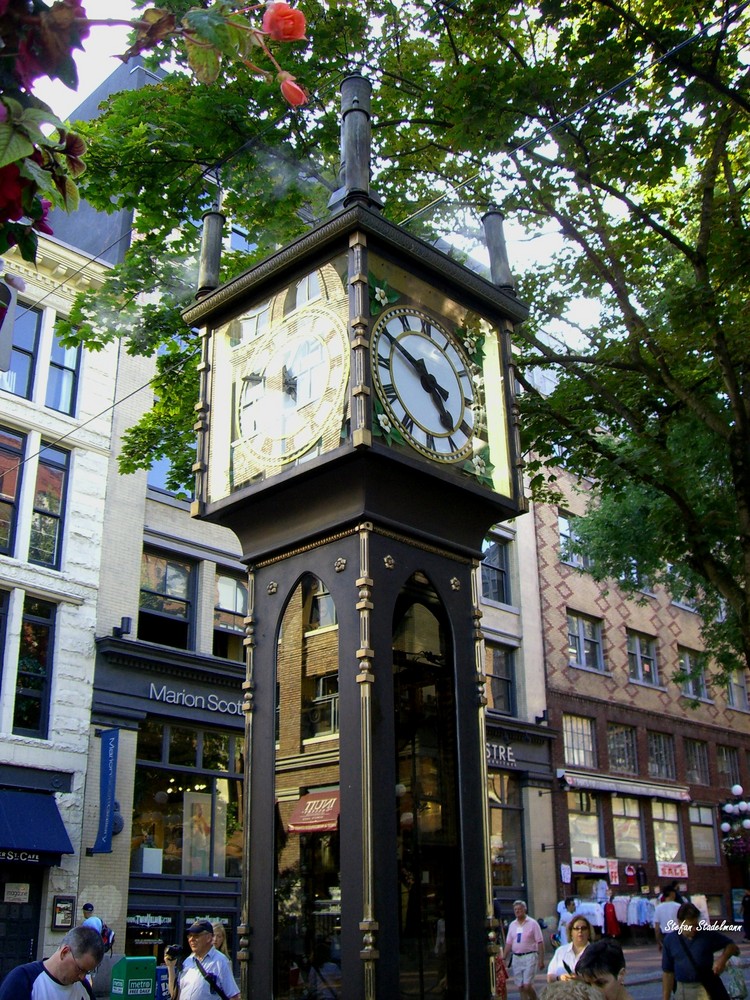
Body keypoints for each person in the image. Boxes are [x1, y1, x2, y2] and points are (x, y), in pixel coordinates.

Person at [0, 925, 104, 1000]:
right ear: (65, 952)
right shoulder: (23, 980)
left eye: (87, 972)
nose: (82, 977)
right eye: (80, 969)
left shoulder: (83, 988)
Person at [661, 902, 739, 1000]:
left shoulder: (706, 934)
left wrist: (722, 960)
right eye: (690, 926)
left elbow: (731, 945)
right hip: (683, 989)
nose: (695, 929)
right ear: (679, 922)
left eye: (696, 924)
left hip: (704, 988)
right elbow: (668, 973)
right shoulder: (670, 940)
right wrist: (665, 998)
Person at [165, 919, 240, 1000]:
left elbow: (234, 997)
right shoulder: (188, 961)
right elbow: (175, 995)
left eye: (196, 936)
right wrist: (171, 967)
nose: (191, 939)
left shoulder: (221, 961)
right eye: (190, 936)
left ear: (208, 937)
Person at [503, 900, 546, 1000]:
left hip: (529, 956)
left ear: (525, 909)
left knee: (527, 985)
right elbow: (509, 942)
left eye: (519, 909)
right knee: (521, 986)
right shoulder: (512, 925)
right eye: (515, 910)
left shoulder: (533, 923)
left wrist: (541, 960)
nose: (517, 911)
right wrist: (504, 957)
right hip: (517, 958)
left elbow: (540, 942)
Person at [547, 915, 593, 981]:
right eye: (576, 928)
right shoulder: (560, 951)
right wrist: (560, 978)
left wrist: (581, 979)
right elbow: (549, 977)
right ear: (571, 932)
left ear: (589, 932)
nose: (580, 931)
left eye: (583, 928)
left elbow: (601, 979)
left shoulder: (595, 952)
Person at [654, 886, 681, 951]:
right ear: (672, 893)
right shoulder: (678, 906)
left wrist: (658, 942)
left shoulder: (658, 908)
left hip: (665, 936)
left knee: (667, 957)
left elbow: (657, 928)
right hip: (677, 935)